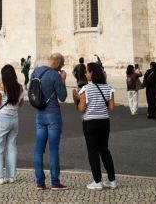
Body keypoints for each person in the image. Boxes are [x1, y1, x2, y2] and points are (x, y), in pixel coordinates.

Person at [73, 62, 117, 190]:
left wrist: (76, 101)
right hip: (104, 121)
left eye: (87, 71)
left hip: (90, 122)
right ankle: (112, 180)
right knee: (105, 150)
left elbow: (81, 109)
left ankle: (97, 181)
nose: (85, 73)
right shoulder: (109, 88)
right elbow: (111, 108)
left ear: (92, 73)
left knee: (93, 152)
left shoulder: (85, 89)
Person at [32, 52, 69, 191]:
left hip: (39, 115)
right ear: (58, 63)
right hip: (53, 115)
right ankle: (55, 182)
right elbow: (63, 97)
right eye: (62, 64)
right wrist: (63, 79)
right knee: (53, 149)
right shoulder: (55, 75)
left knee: (38, 149)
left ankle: (40, 182)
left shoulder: (35, 72)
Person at [0, 63, 25, 185]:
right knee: (11, 147)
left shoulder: (2, 86)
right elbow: (21, 103)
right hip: (15, 118)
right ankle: (11, 176)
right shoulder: (19, 87)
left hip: (3, 118)